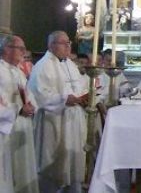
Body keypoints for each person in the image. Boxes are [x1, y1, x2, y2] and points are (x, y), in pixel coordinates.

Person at [28, 31, 89, 193]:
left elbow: (80, 86)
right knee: (52, 165)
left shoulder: (70, 64)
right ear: (51, 45)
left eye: (69, 43)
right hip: (53, 120)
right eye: (64, 43)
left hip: (73, 119)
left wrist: (84, 97)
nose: (68, 46)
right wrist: (64, 99)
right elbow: (39, 94)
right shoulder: (43, 66)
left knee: (72, 162)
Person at [0, 36, 38, 192]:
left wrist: (32, 106)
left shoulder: (18, 72)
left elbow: (29, 95)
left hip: (22, 126)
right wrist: (17, 109)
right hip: (5, 129)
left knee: (21, 169)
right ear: (7, 49)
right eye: (20, 48)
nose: (24, 52)